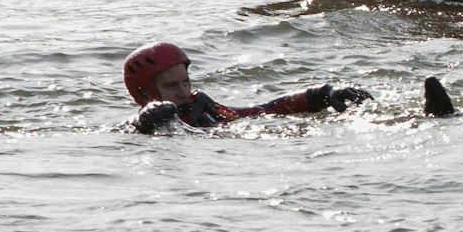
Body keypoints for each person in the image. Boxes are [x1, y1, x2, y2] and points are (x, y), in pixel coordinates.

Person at [124, 42, 373, 134]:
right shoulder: (144, 126)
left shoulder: (203, 108)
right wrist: (147, 123)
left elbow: (261, 110)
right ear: (145, 93)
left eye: (185, 82)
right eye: (171, 86)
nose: (183, 92)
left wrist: (322, 93)